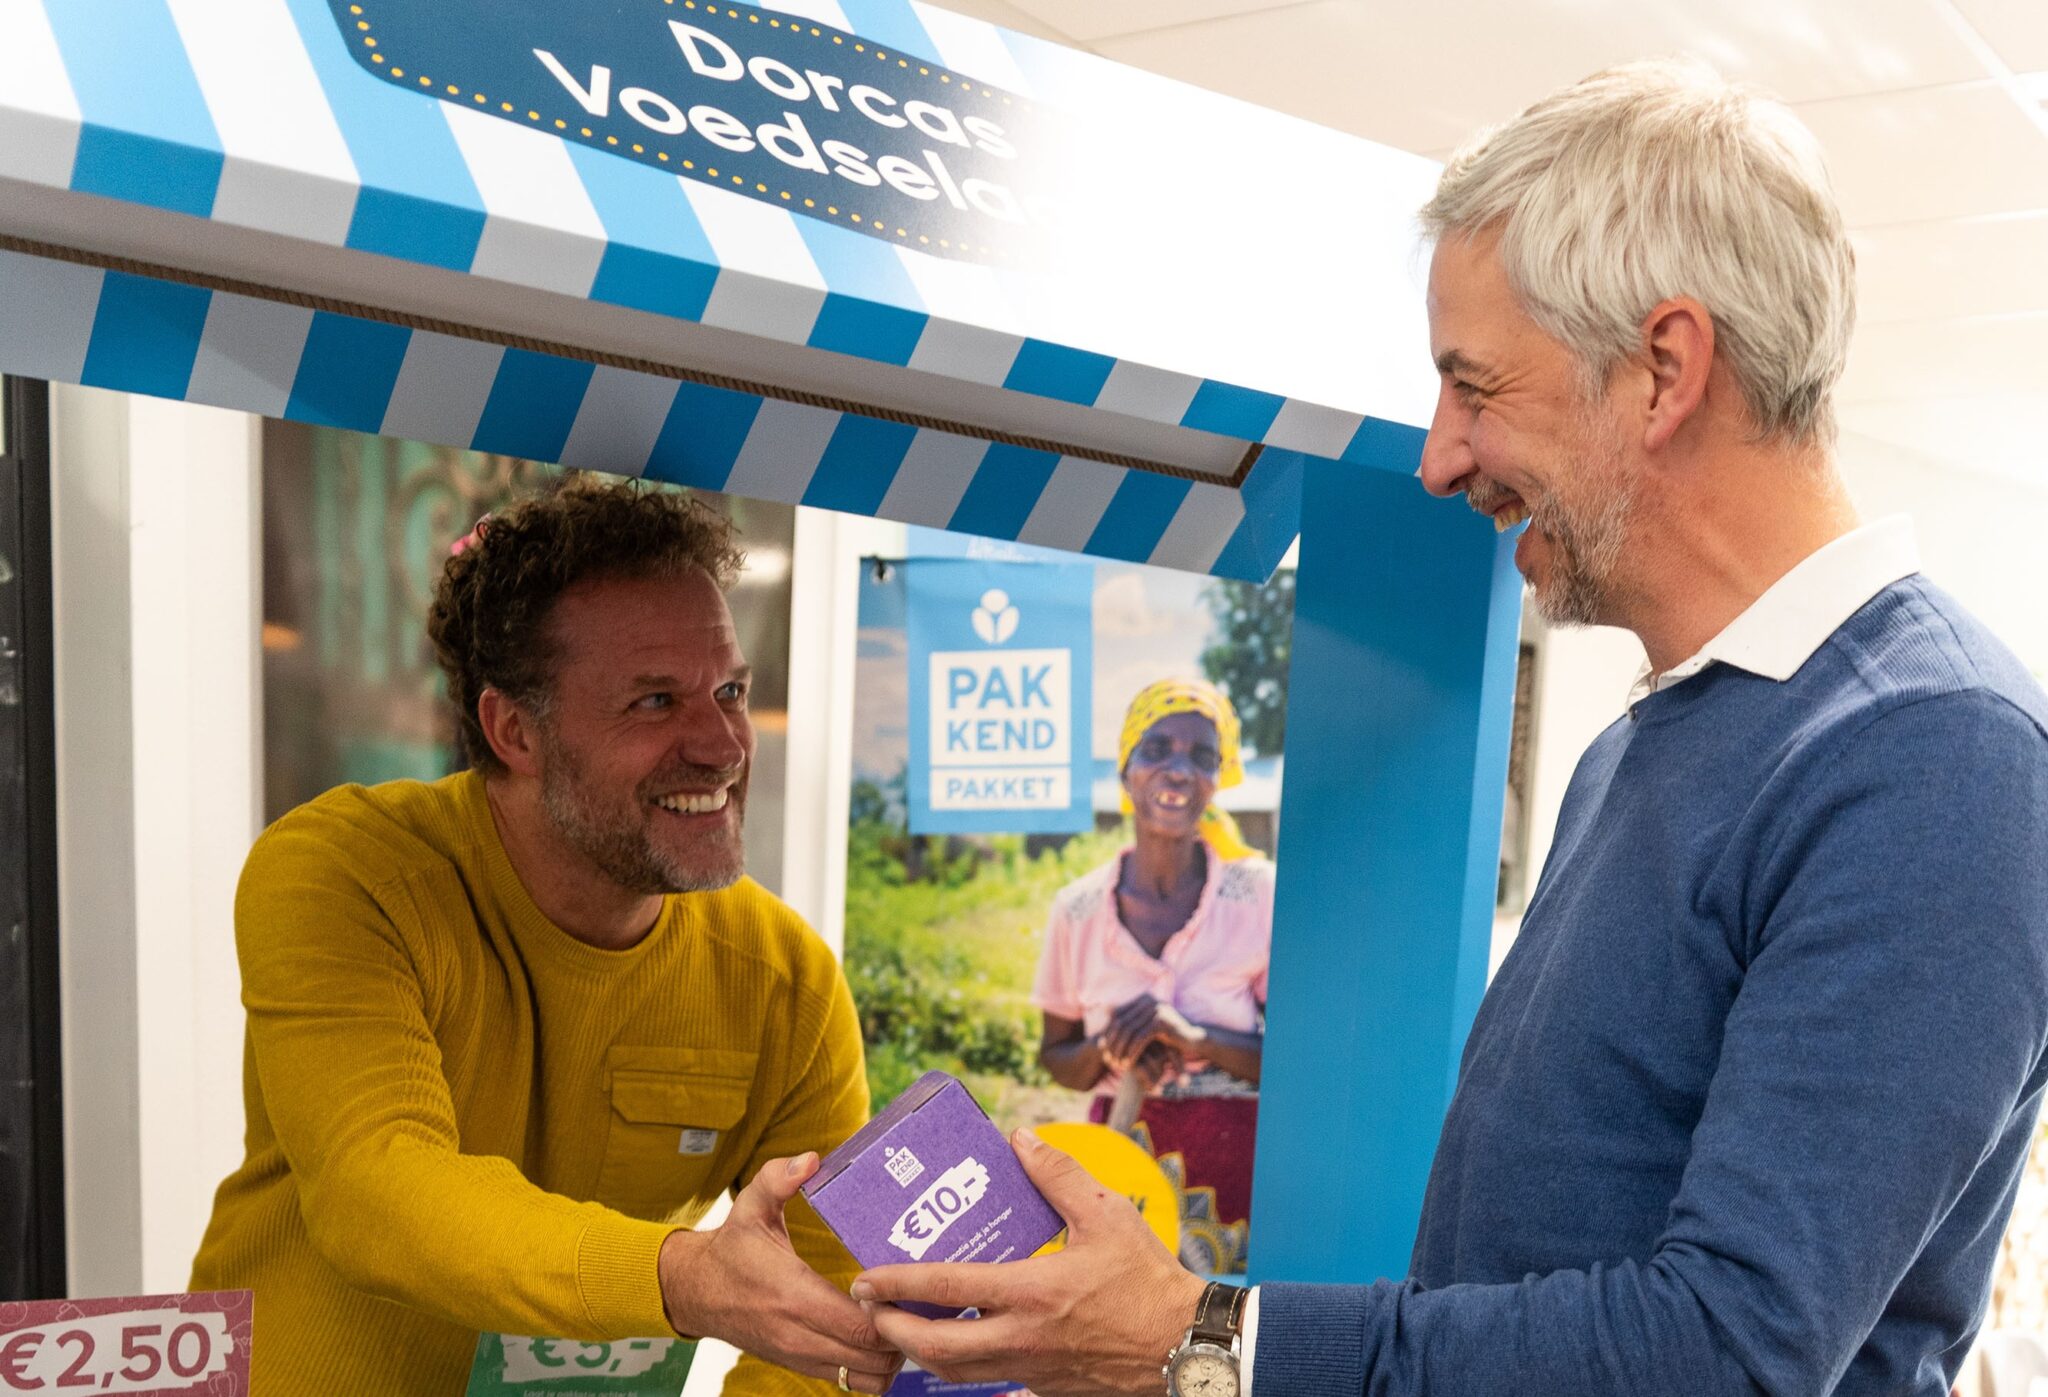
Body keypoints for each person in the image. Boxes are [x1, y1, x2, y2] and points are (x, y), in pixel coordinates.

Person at [850, 59, 2048, 1397]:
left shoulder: (1940, 759)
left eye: (1475, 389)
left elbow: (1729, 1352)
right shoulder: (1645, 744)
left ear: (1662, 371)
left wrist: (1204, 1340)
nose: (1438, 457)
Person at [190, 478, 900, 1396]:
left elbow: (837, 1313)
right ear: (513, 728)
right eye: (654, 701)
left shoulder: (784, 978)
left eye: (729, 689)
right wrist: (682, 1275)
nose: (723, 743)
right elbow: (380, 1192)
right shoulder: (344, 873)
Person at [1033, 678, 1273, 1275]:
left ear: (1221, 778)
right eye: (1157, 749)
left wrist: (1196, 1040)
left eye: (1201, 756)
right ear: (1126, 771)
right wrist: (1112, 1047)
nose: (1179, 771)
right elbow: (1058, 1059)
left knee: (1219, 1344)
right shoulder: (1078, 910)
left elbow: (1296, 1062)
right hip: (1120, 1167)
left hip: (1235, 1174)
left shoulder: (1260, 897)